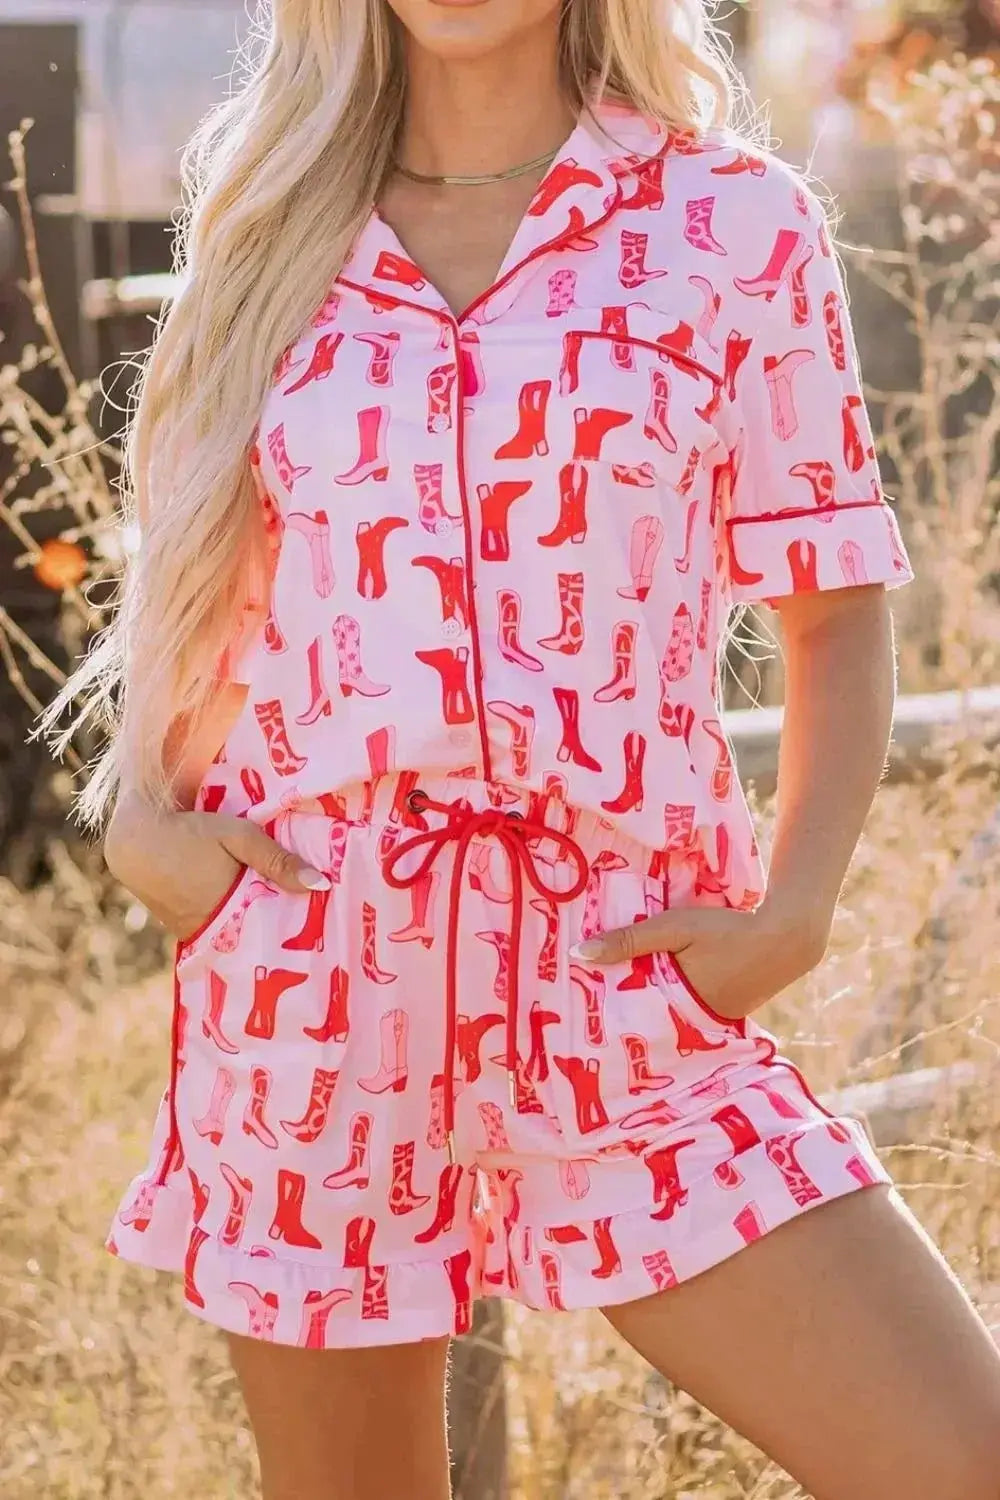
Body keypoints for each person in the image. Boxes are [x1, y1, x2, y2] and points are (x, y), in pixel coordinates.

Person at [39, 2, 1000, 1497]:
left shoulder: (731, 224)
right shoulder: (269, 215)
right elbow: (195, 584)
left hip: (626, 967)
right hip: (316, 974)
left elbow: (834, 610)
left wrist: (794, 912)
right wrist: (150, 834)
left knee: (958, 1459)